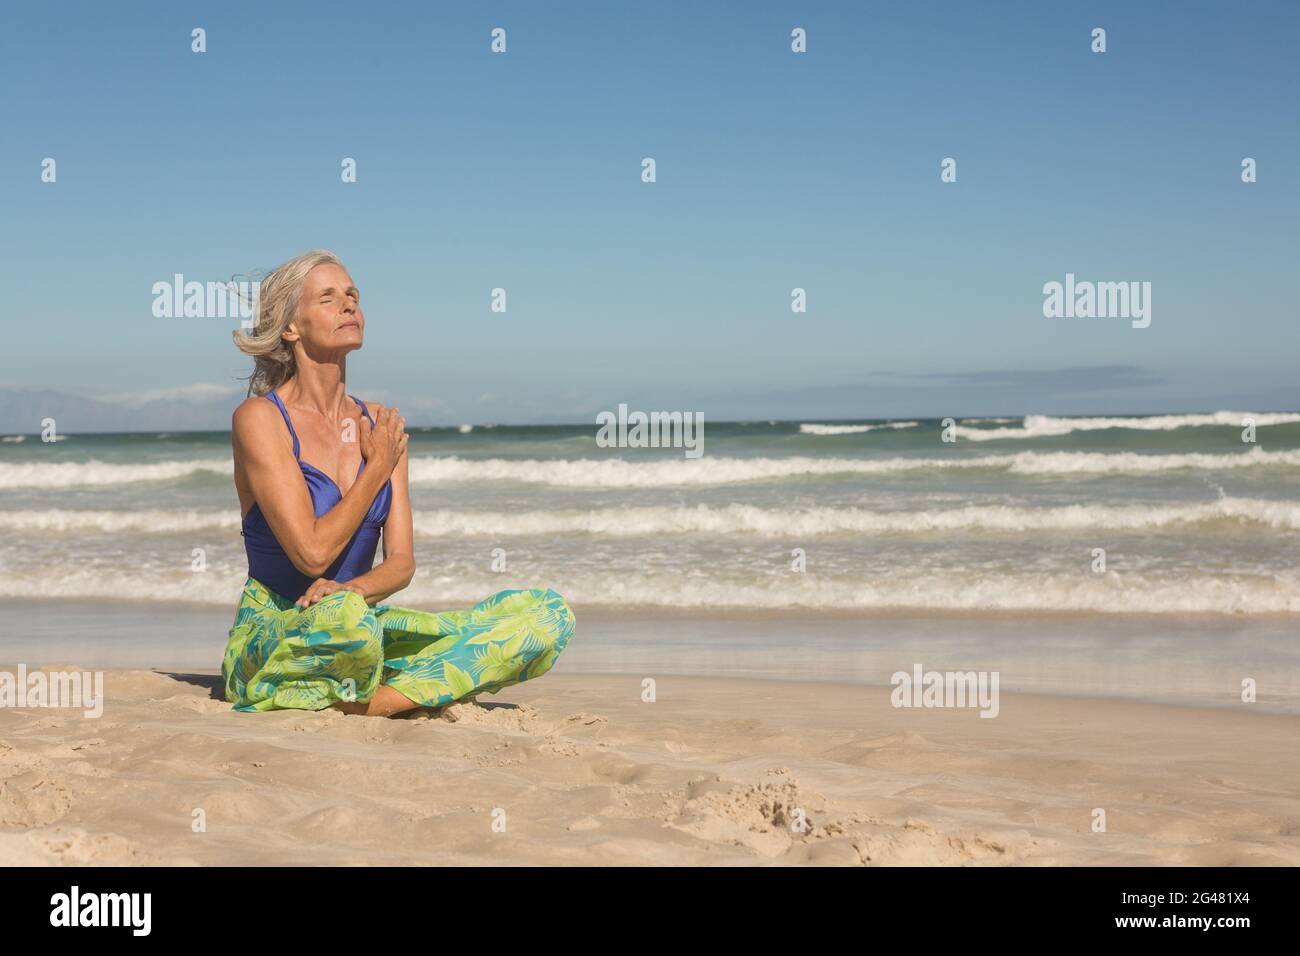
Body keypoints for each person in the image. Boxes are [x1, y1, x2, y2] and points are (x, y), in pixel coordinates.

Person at [221, 250, 574, 717]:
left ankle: (365, 702)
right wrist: (377, 467)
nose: (349, 306)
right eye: (328, 298)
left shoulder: (379, 424)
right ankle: (390, 692)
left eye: (353, 296)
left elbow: (402, 563)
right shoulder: (260, 419)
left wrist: (353, 592)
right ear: (290, 327)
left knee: (545, 615)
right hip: (280, 631)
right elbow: (311, 553)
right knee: (346, 626)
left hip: (359, 620)